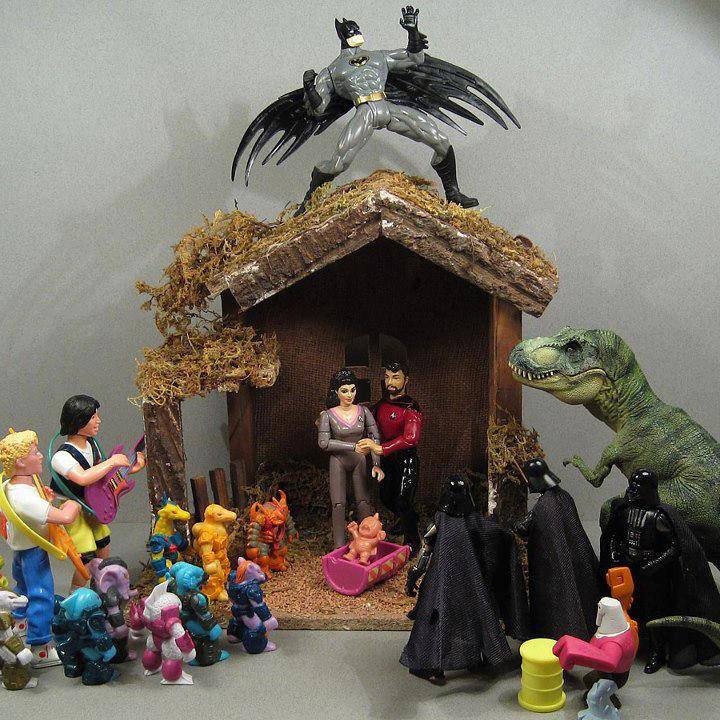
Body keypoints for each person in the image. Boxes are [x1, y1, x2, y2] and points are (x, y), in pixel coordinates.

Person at [401, 475, 528, 682]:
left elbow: (424, 555)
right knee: (472, 617)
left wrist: (412, 578)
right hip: (466, 582)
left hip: (445, 582)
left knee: (437, 621)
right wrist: (509, 536)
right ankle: (463, 660)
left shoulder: (440, 523)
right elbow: (496, 535)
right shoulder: (474, 522)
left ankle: (439, 664)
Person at [600, 469, 720, 673]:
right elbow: (613, 536)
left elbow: (674, 547)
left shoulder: (658, 517)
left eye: (637, 487)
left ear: (648, 490)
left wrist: (654, 565)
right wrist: (613, 554)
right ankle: (625, 645)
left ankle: (656, 652)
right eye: (631, 486)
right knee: (623, 609)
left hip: (653, 577)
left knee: (653, 613)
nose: (631, 491)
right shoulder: (623, 511)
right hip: (626, 570)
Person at [0, 429, 81, 667]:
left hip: (21, 551)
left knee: (23, 589)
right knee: (41, 595)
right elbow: (64, 517)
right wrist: (74, 504)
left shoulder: (10, 485)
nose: (40, 456)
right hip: (33, 552)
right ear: (20, 462)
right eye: (35, 453)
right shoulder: (23, 497)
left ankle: (21, 624)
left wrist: (44, 498)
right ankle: (40, 647)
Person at [50, 395, 145, 591]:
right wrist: (111, 462)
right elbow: (82, 478)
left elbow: (102, 476)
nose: (98, 421)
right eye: (93, 417)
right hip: (73, 507)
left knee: (103, 541)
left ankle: (101, 586)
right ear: (79, 420)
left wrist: (129, 468)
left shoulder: (92, 445)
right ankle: (76, 595)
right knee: (86, 556)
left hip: (93, 505)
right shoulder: (62, 456)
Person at [516, 459, 602, 640]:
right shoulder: (564, 496)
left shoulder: (545, 506)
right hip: (574, 561)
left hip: (555, 572)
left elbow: (536, 532)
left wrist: (525, 524)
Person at [357, 362, 422, 551]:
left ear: (406, 380)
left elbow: (411, 438)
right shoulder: (382, 405)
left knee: (403, 499)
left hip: (406, 460)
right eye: (387, 377)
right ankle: (408, 518)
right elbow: (366, 419)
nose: (390, 382)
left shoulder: (410, 407)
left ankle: (413, 541)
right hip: (387, 461)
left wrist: (381, 448)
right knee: (386, 497)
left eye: (395, 377)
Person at [318, 369, 384, 548]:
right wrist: (352, 446)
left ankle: (367, 540)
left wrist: (376, 463)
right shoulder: (328, 415)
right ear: (336, 392)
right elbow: (324, 443)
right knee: (338, 503)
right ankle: (339, 545)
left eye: (353, 390)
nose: (349, 395)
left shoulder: (363, 411)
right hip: (338, 460)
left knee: (363, 501)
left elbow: (374, 437)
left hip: (359, 460)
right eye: (345, 390)